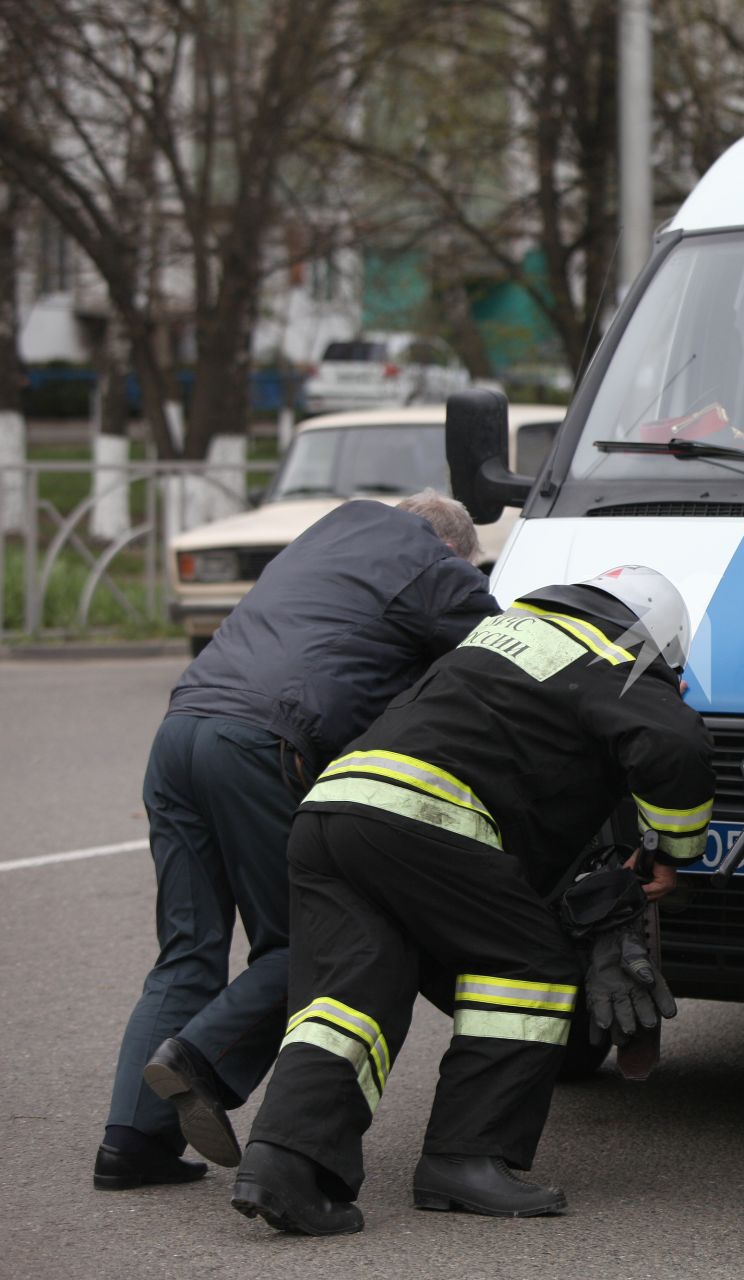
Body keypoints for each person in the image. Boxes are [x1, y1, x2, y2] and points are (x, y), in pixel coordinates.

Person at [228, 566, 713, 1236]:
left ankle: (283, 1162)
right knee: (531, 968)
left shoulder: (498, 635)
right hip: (422, 820)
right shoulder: (614, 655)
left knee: (349, 997)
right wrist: (671, 851)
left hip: (333, 816)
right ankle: (466, 1157)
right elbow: (675, 741)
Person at [97, 491, 496, 1192]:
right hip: (260, 743)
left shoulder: (330, 533)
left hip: (182, 730)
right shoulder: (435, 566)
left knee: (188, 949)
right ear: (458, 551)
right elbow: (504, 662)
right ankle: (199, 1060)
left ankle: (131, 1144)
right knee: (310, 943)